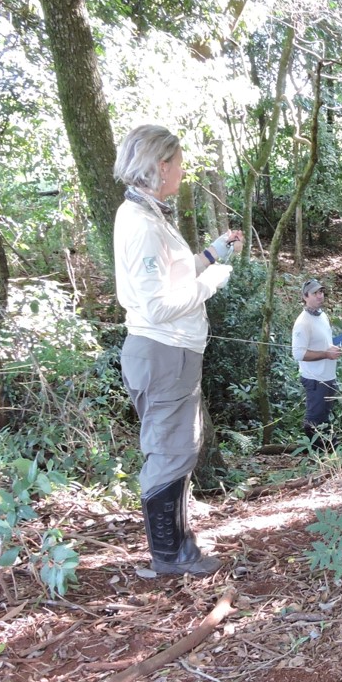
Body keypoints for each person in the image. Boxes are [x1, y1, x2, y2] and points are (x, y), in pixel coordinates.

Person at [113, 124, 243, 577]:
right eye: (179, 163)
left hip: (171, 353)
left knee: (178, 447)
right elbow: (157, 304)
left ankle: (178, 545)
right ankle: (170, 554)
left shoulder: (147, 214)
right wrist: (210, 283)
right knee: (169, 450)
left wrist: (211, 254)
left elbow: (171, 273)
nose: (183, 172)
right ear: (161, 165)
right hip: (163, 351)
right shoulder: (142, 224)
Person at [291, 278, 342, 443]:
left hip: (328, 376)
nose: (320, 296)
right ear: (305, 297)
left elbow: (325, 343)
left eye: (321, 292)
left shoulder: (323, 316)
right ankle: (319, 454)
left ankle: (329, 451)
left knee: (324, 418)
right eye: (315, 293)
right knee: (313, 421)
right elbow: (298, 354)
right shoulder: (302, 323)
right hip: (315, 379)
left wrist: (334, 349)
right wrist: (326, 354)